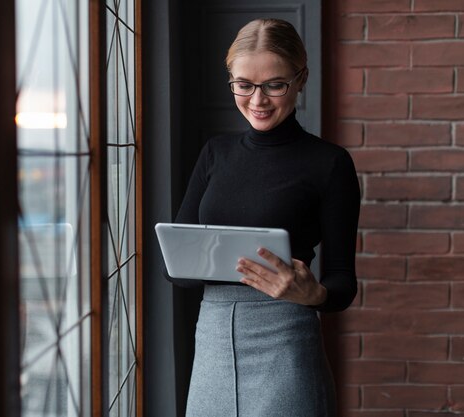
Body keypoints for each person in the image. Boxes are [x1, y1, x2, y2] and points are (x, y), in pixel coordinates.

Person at [169, 18, 361, 417]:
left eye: (275, 84)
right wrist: (190, 261)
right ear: (232, 80)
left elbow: (343, 280)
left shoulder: (329, 163)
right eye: (244, 84)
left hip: (286, 337)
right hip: (213, 338)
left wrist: (316, 296)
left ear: (300, 78)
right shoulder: (215, 153)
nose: (258, 100)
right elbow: (177, 269)